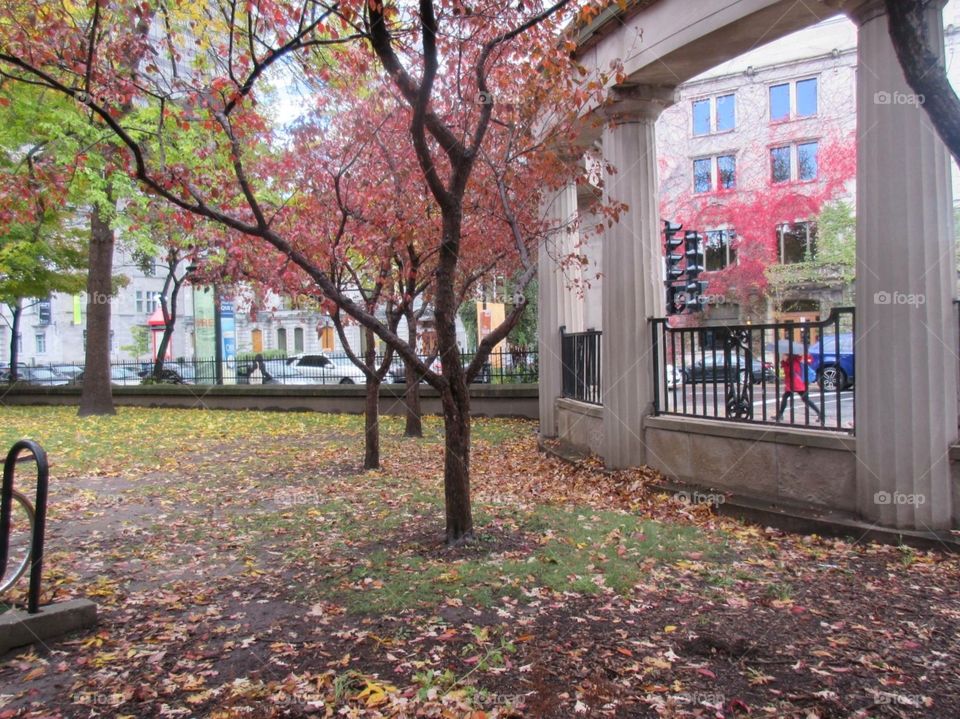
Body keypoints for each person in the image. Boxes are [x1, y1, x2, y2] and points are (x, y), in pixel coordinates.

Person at [776, 351, 821, 423]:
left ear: (788, 356)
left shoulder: (794, 362)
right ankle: (820, 414)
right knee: (804, 399)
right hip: (793, 383)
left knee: (802, 399)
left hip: (795, 383)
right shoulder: (788, 362)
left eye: (784, 355)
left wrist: (785, 364)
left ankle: (780, 415)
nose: (783, 356)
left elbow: (791, 373)